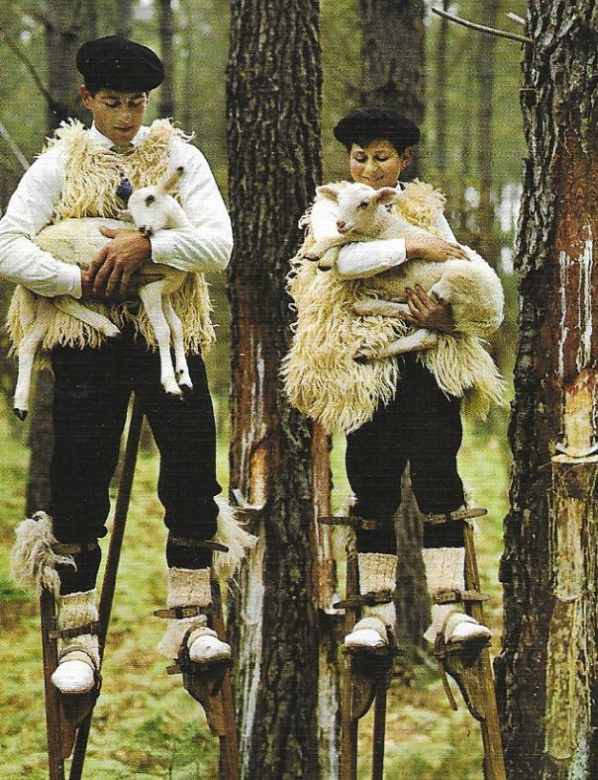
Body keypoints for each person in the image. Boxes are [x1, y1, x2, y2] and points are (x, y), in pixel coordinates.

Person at [0, 35, 237, 695]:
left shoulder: (179, 158)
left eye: (136, 103)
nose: (127, 118)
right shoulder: (60, 165)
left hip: (169, 339)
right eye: (113, 103)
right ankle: (78, 640)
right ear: (87, 99)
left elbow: (216, 244)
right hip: (88, 341)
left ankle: (192, 620)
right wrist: (78, 279)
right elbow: (7, 245)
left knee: (191, 472)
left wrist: (148, 243)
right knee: (79, 480)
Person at [283, 106, 506, 653]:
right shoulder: (332, 204)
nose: (368, 170)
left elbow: (461, 263)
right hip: (365, 364)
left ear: (403, 160)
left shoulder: (424, 209)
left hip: (427, 362)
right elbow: (343, 262)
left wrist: (446, 317)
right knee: (372, 476)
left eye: (381, 159)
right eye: (359, 157)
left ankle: (451, 610)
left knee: (437, 470)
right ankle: (374, 614)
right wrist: (413, 247)